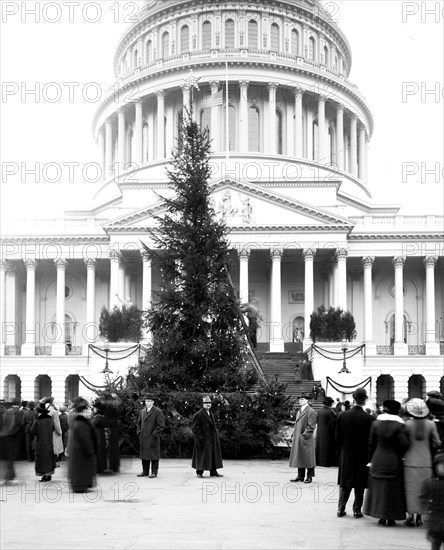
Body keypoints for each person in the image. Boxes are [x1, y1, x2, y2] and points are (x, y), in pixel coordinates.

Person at [363, 399, 410, 526]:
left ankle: (380, 516)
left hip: (378, 458)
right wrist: (400, 454)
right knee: (393, 489)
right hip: (394, 460)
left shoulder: (376, 423)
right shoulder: (400, 425)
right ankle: (391, 517)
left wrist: (370, 459)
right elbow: (404, 444)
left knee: (378, 488)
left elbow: (371, 443)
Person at [336, 387, 375, 518]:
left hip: (346, 454)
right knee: (360, 484)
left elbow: (338, 437)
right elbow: (371, 440)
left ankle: (340, 509)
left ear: (353, 399)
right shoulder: (369, 418)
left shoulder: (342, 416)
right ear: (365, 400)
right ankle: (357, 510)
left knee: (344, 483)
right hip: (362, 455)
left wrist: (340, 452)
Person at [404, 398, 441, 527]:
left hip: (409, 461)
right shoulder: (431, 424)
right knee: (423, 491)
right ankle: (419, 517)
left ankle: (410, 516)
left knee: (410, 491)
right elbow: (437, 443)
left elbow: (403, 442)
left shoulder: (408, 424)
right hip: (426, 462)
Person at [67, 396, 97, 493]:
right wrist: (90, 450)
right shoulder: (81, 423)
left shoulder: (77, 421)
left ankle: (80, 484)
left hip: (76, 451)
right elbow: (85, 438)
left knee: (78, 469)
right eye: (88, 410)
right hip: (80, 452)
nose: (90, 412)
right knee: (81, 469)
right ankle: (81, 485)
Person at [191, 395, 223, 478]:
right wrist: (200, 438)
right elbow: (195, 428)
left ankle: (213, 471)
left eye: (209, 403)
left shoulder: (210, 413)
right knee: (202, 456)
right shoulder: (198, 414)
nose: (208, 404)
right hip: (203, 439)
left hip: (211, 439)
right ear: (202, 404)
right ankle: (199, 472)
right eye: (206, 403)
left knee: (212, 455)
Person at [289, 392, 316, 483]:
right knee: (299, 456)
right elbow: (297, 424)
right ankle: (300, 476)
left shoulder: (310, 411)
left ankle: (309, 476)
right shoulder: (299, 411)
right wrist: (294, 434)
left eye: (302, 399)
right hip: (299, 437)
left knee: (308, 458)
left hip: (305, 438)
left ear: (307, 400)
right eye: (299, 399)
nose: (300, 401)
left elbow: (311, 426)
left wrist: (304, 435)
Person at [420, 451, 444, 550]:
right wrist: (424, 512)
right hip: (435, 519)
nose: (443, 469)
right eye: (440, 466)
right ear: (435, 467)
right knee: (435, 542)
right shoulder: (428, 483)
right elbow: (423, 499)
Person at [137, 393, 165, 478]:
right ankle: (145, 471)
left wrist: (154, 434)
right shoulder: (142, 411)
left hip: (153, 437)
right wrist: (139, 433)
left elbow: (161, 425)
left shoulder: (157, 411)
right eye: (146, 401)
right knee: (144, 455)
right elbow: (138, 424)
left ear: (153, 402)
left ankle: (154, 472)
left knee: (154, 455)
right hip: (144, 437)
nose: (147, 403)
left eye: (149, 401)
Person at [30, 401, 56, 482]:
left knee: (42, 459)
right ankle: (49, 475)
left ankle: (44, 476)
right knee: (49, 458)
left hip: (40, 443)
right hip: (49, 442)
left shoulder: (38, 420)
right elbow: (53, 429)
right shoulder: (50, 419)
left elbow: (32, 430)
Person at [316, 396, 337, 467]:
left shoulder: (320, 411)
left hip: (320, 432)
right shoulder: (330, 412)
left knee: (320, 447)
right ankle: (326, 462)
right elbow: (332, 423)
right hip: (328, 432)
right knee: (327, 448)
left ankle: (319, 461)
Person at [91, 401, 107, 474]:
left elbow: (92, 425)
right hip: (100, 435)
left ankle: (98, 468)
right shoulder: (101, 416)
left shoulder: (97, 417)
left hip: (98, 435)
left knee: (98, 452)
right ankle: (101, 467)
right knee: (101, 452)